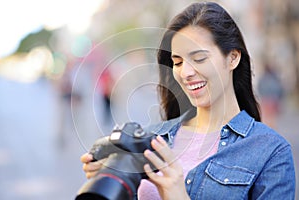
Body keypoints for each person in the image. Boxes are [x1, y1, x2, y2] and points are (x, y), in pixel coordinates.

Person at [80, 2, 296, 199]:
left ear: (233, 58)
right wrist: (110, 180)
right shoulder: (153, 139)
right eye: (177, 62)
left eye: (199, 58)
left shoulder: (271, 152)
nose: (186, 72)